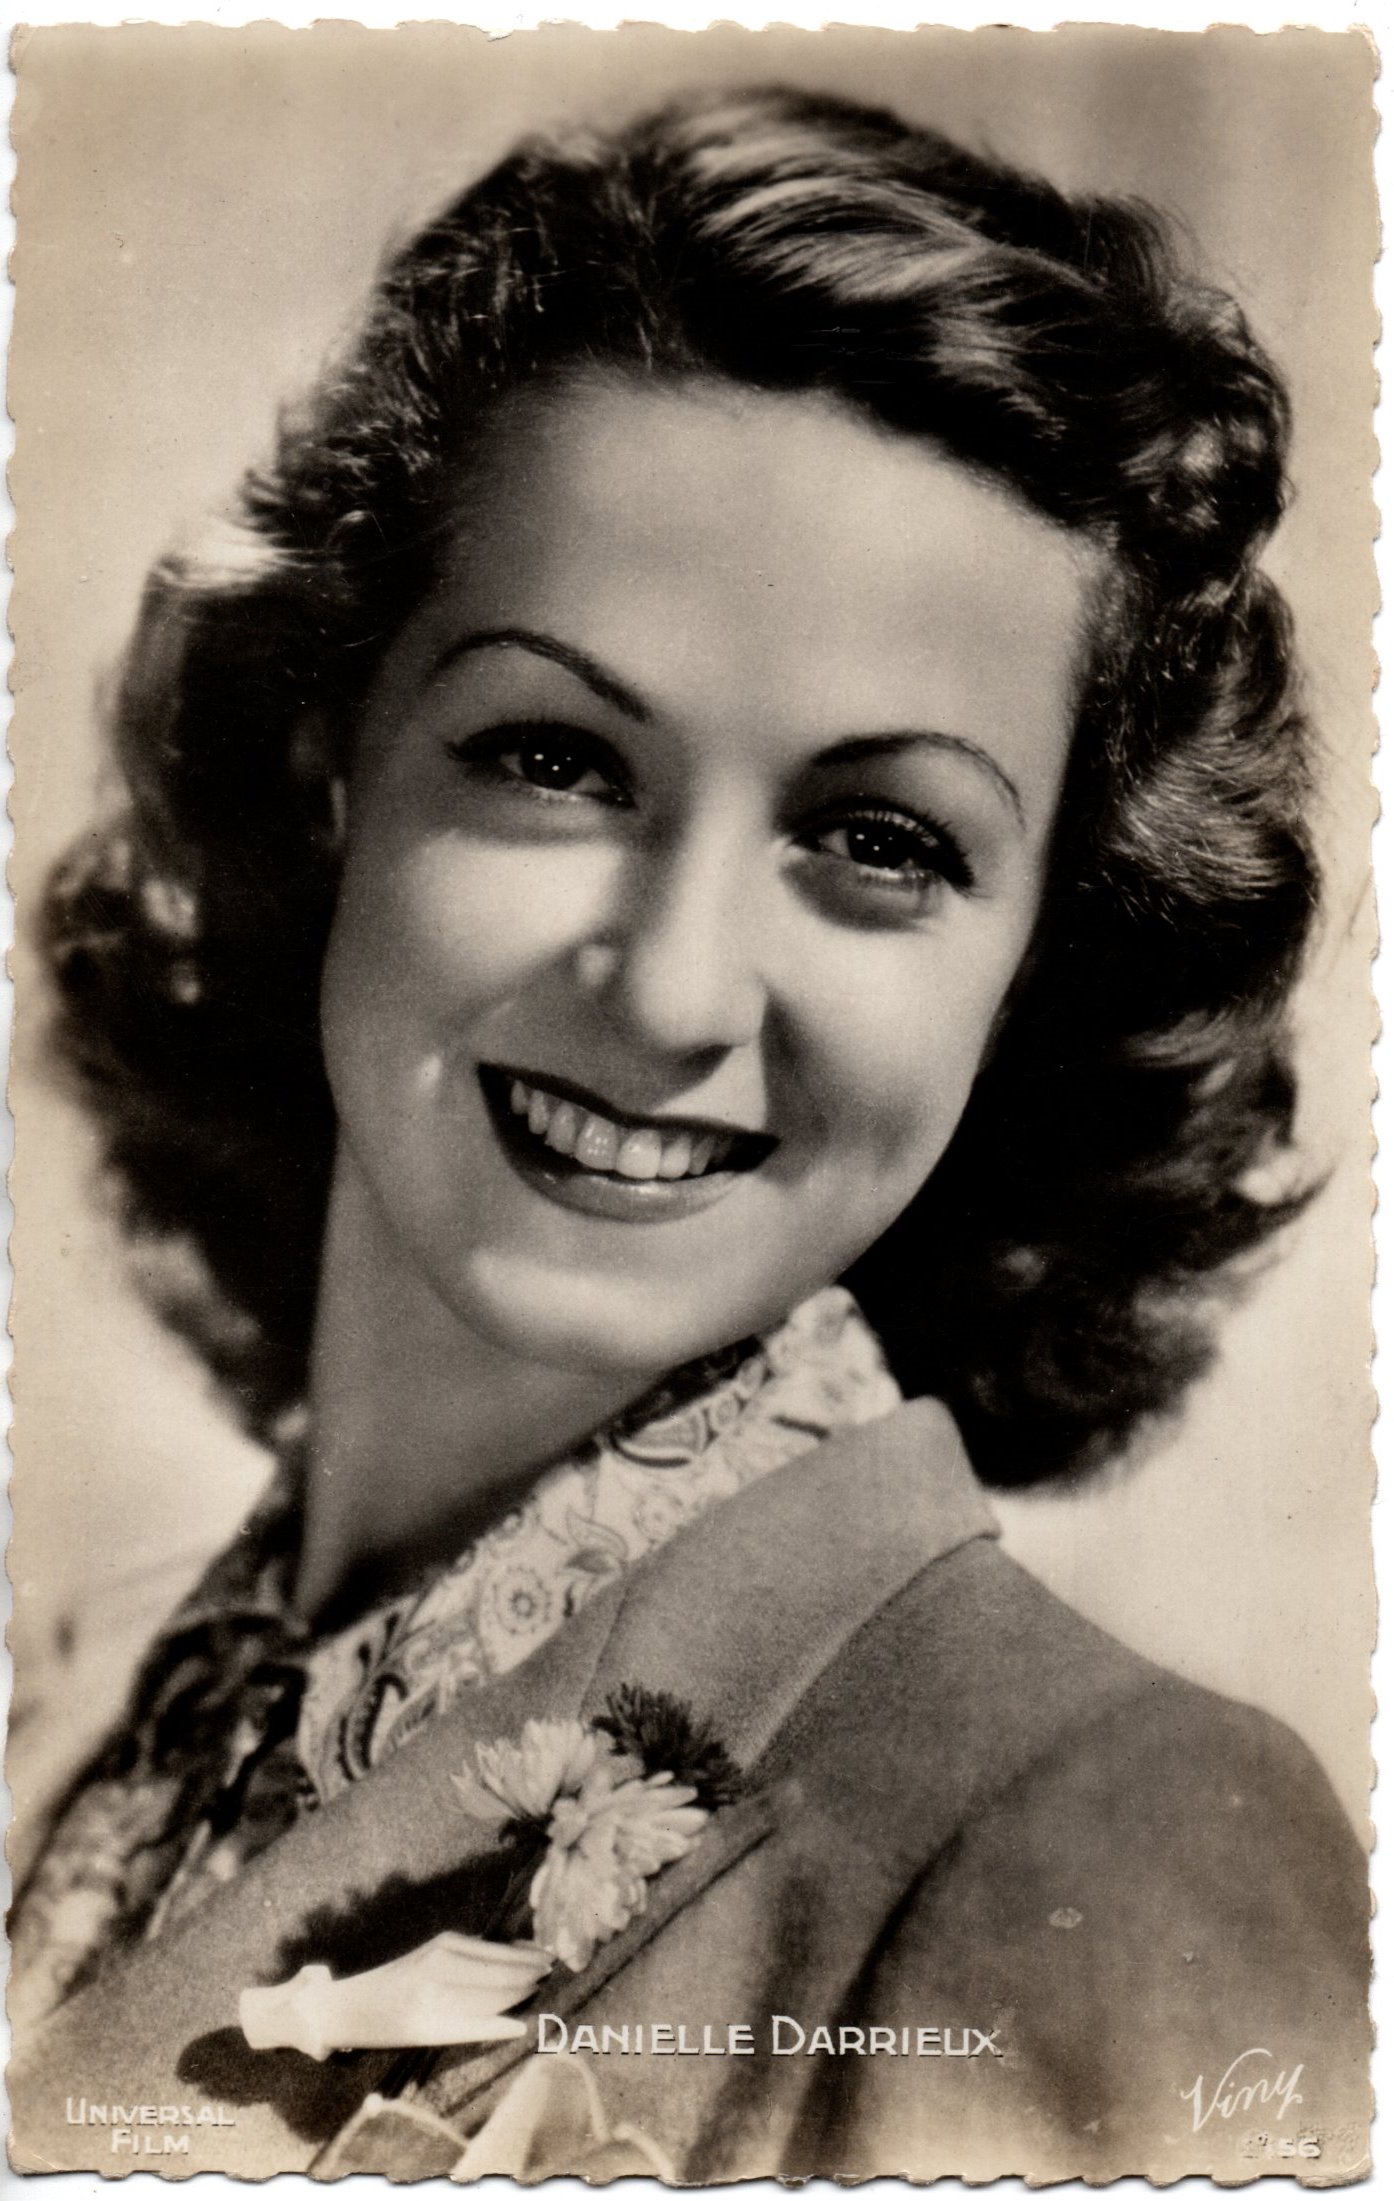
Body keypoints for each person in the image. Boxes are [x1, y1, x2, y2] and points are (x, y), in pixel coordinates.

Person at [9, 83, 1369, 2182]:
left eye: (881, 839)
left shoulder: (1094, 1837)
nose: (666, 991)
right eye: (553, 756)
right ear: (328, 756)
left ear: (1039, 963)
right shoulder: (66, 1715)